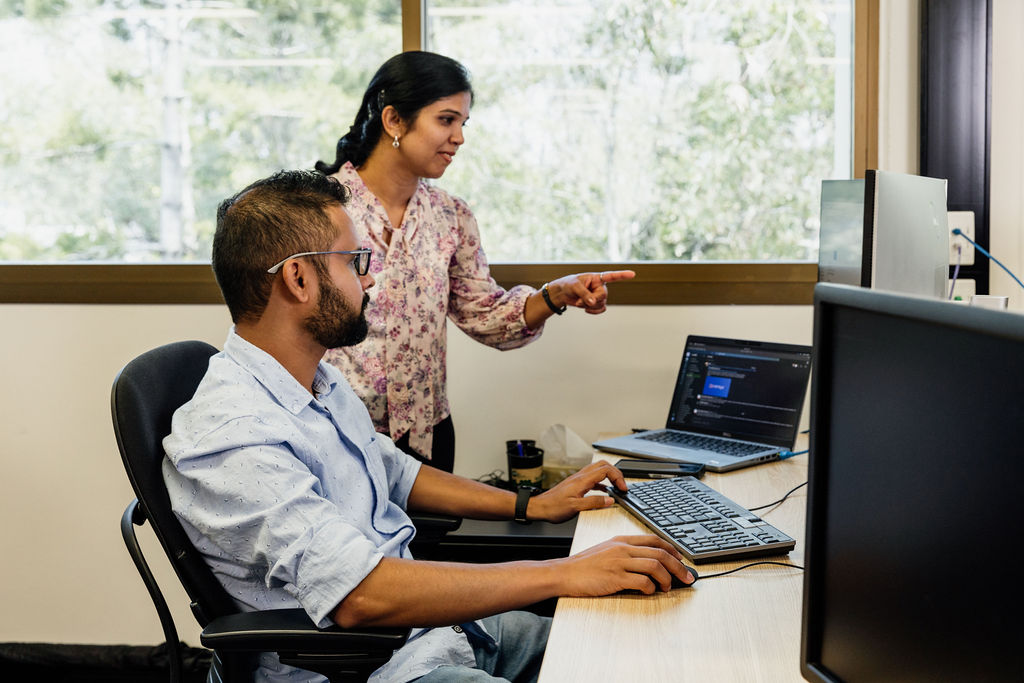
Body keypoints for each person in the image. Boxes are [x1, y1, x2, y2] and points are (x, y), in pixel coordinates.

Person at [162, 170, 694, 683]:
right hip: (364, 669)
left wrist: (532, 506)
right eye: (355, 261)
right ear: (299, 278)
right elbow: (360, 594)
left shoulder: (317, 380)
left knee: (630, 650)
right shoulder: (233, 437)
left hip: (431, 636)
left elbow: (393, 470)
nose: (370, 277)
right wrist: (565, 573)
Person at [315, 51, 635, 472]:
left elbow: (484, 314)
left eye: (463, 123)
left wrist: (555, 295)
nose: (459, 138)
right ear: (393, 120)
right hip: (335, 432)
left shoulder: (452, 216)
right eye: (446, 120)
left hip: (426, 437)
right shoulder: (319, 209)